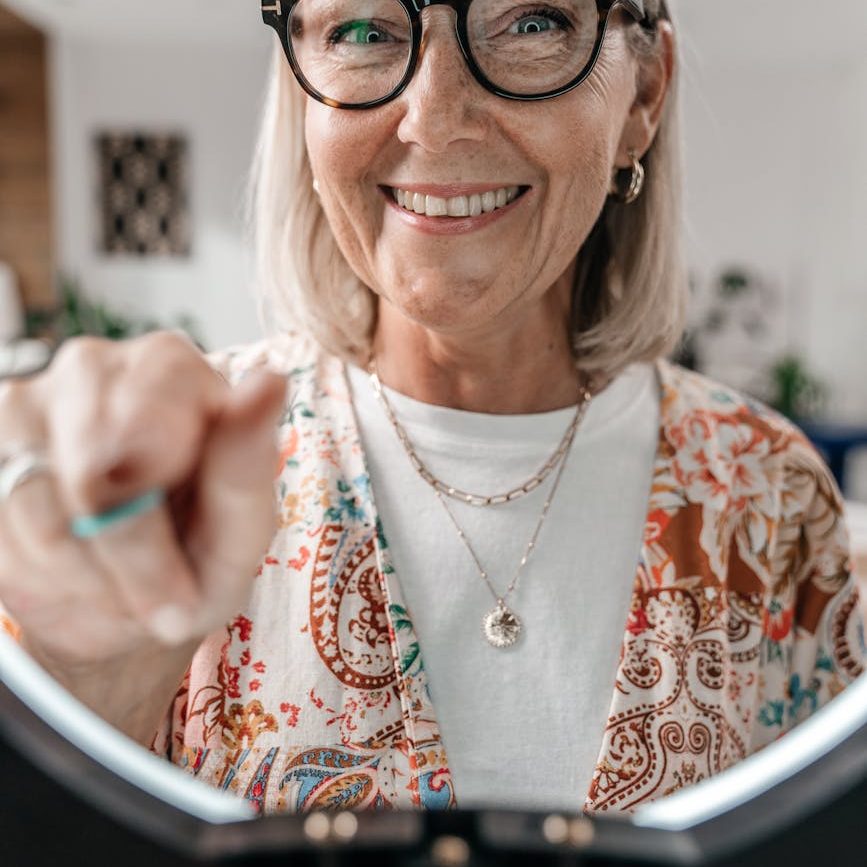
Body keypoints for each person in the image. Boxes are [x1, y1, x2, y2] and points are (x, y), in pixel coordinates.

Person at [0, 0, 863, 816]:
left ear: (641, 95)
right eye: (365, 27)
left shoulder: (770, 494)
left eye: (531, 21)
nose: (434, 115)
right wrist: (83, 703)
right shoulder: (173, 475)